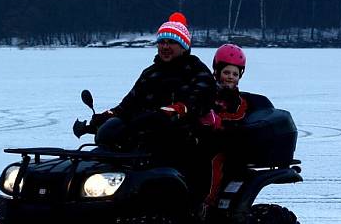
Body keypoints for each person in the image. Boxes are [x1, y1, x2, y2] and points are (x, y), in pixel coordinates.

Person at [90, 12, 217, 191]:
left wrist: (171, 112)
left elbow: (200, 99)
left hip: (181, 142)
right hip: (143, 140)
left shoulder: (196, 71)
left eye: (172, 42)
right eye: (162, 42)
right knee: (96, 161)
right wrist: (106, 117)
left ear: (184, 46)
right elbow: (129, 104)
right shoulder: (151, 73)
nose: (165, 47)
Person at [202, 44, 249, 210]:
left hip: (224, 144)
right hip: (203, 139)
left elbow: (239, 116)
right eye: (226, 72)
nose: (230, 77)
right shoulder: (207, 93)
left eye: (235, 74)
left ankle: (209, 201)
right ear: (217, 72)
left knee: (213, 163)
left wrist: (219, 120)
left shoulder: (238, 101)